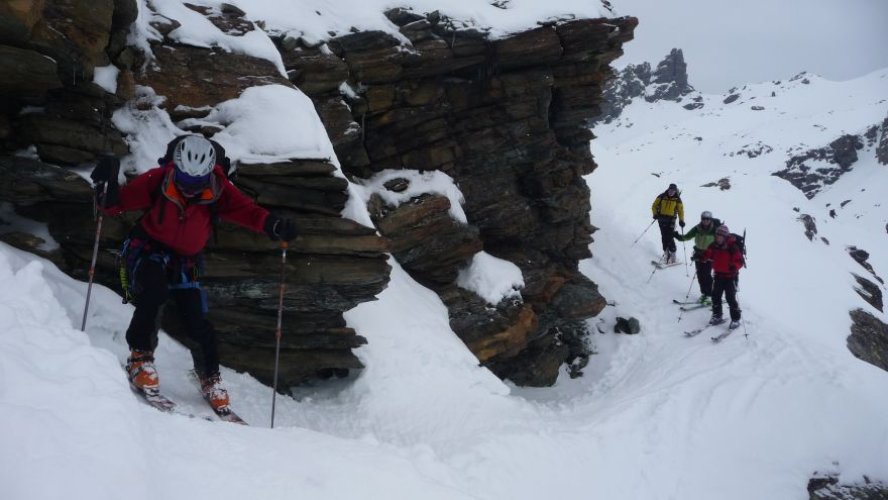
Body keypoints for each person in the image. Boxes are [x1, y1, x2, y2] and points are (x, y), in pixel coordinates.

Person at [90, 134, 297, 411]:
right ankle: (140, 357)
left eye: (196, 182)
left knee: (196, 318)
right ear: (176, 168)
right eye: (185, 181)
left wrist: (272, 225)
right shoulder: (159, 179)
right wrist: (105, 187)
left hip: (188, 261)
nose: (189, 188)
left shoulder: (219, 188)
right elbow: (116, 204)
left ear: (209, 173)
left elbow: (247, 211)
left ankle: (210, 377)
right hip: (149, 249)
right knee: (153, 294)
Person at [701, 224, 744, 329]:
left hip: (730, 277)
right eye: (717, 235)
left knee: (730, 298)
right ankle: (717, 315)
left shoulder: (732, 247)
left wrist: (735, 267)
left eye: (720, 236)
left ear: (725, 237)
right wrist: (701, 257)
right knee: (715, 296)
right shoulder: (714, 245)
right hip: (718, 275)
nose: (718, 238)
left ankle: (736, 319)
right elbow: (708, 254)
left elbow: (740, 261)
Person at [674, 210, 722, 304]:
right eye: (704, 219)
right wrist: (678, 236)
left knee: (706, 275)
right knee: (700, 275)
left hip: (710, 256)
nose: (706, 221)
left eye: (708, 219)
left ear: (711, 219)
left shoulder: (715, 230)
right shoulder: (697, 228)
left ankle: (709, 295)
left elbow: (721, 241)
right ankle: (704, 294)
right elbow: (687, 236)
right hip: (698, 254)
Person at [651, 183, 685, 264]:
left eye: (673, 191)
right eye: (670, 190)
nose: (671, 192)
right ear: (668, 189)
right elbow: (654, 205)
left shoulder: (677, 199)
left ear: (675, 191)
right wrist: (655, 214)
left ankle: (673, 255)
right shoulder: (662, 196)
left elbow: (680, 211)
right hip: (661, 219)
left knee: (669, 237)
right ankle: (666, 254)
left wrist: (681, 220)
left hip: (671, 221)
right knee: (664, 237)